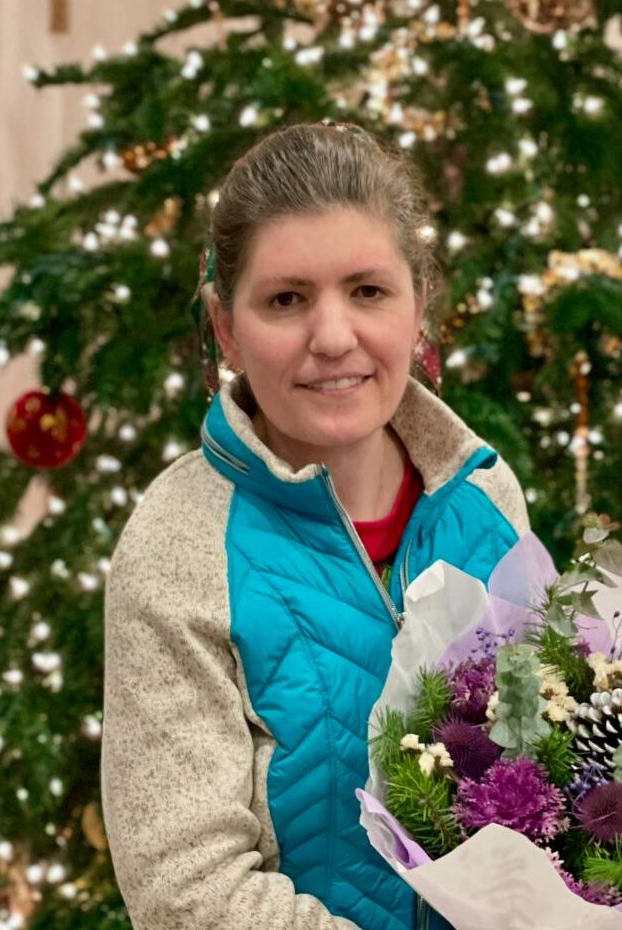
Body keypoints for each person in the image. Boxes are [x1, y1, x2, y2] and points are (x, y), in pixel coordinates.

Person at [101, 121, 531, 930]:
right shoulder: (177, 547)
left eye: (367, 291)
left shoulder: (488, 497)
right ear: (225, 326)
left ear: (417, 307)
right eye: (286, 300)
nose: (333, 338)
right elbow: (188, 891)